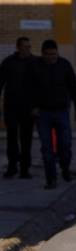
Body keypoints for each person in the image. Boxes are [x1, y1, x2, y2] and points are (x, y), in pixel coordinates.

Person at [33, 39, 76, 190]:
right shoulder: (36, 66)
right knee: (47, 148)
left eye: (54, 54)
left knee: (65, 144)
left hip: (61, 111)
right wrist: (33, 107)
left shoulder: (64, 65)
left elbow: (74, 87)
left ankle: (65, 169)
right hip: (43, 113)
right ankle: (51, 179)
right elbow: (29, 89)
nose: (51, 57)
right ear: (43, 54)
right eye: (48, 55)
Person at [0, 36, 37, 179]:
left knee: (26, 139)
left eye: (29, 47)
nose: (27, 49)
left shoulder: (35, 62)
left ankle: (24, 169)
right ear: (18, 47)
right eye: (25, 46)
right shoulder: (8, 63)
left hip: (29, 108)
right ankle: (12, 167)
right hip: (11, 106)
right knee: (12, 137)